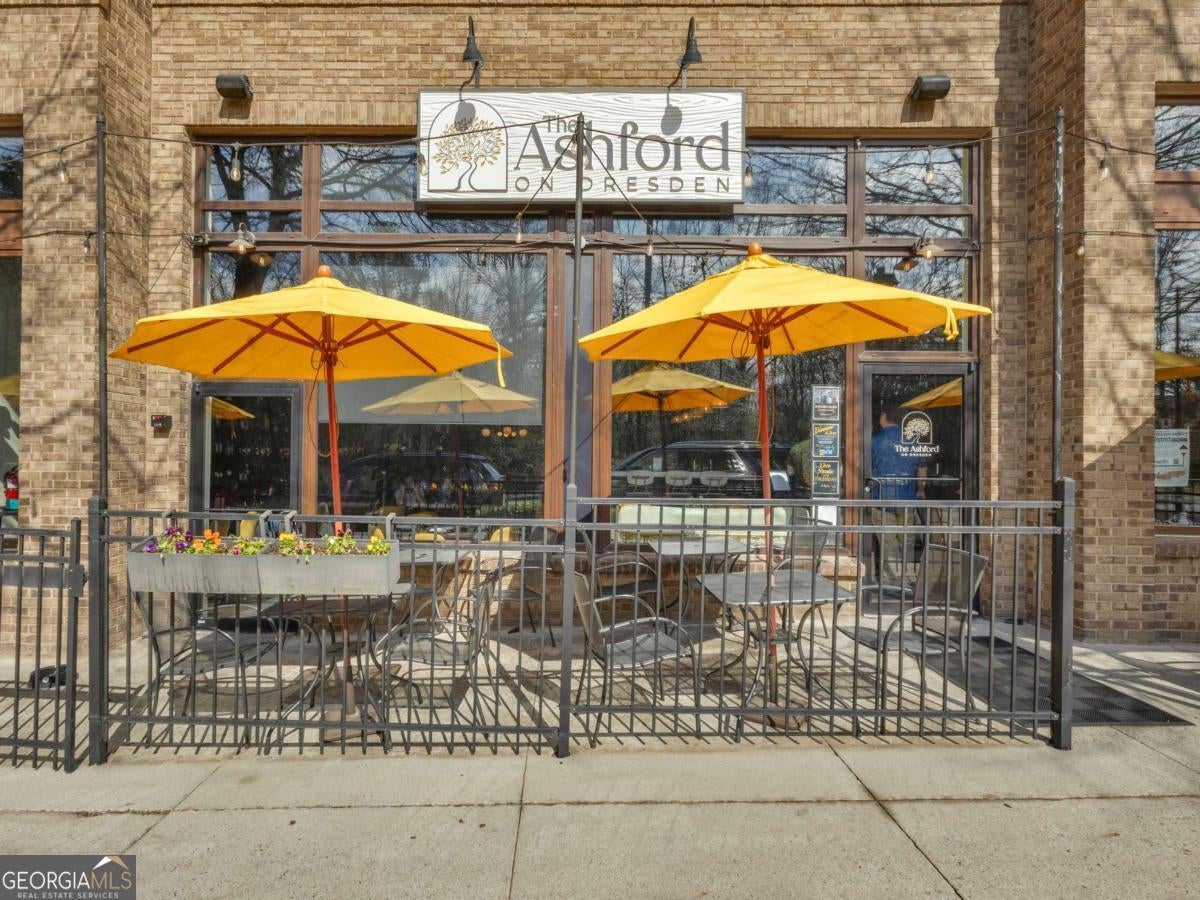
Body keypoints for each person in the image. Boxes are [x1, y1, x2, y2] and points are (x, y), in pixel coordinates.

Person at [870, 406, 927, 587]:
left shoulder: (875, 441)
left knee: (888, 539)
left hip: (882, 497)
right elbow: (922, 468)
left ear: (884, 416)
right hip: (907, 497)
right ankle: (907, 577)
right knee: (907, 538)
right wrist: (920, 489)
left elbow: (866, 467)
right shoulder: (911, 442)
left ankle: (892, 580)